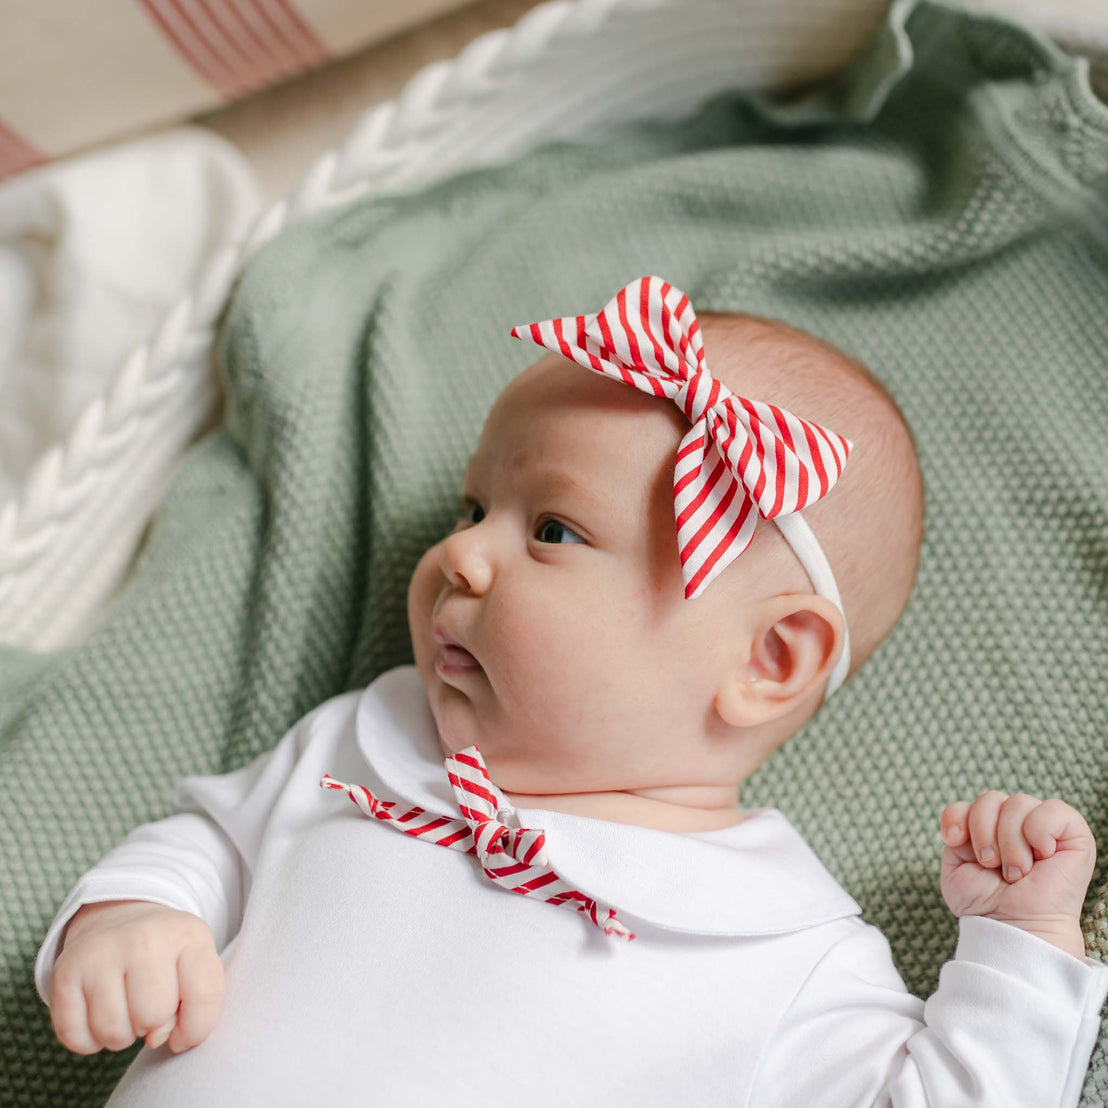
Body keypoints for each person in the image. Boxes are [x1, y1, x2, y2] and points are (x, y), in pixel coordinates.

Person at [34, 277, 1106, 1106]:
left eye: (551, 528)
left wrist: (1018, 947)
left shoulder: (778, 949)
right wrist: (138, 914)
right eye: (470, 507)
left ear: (766, 660)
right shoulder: (366, 743)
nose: (461, 557)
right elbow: (211, 842)